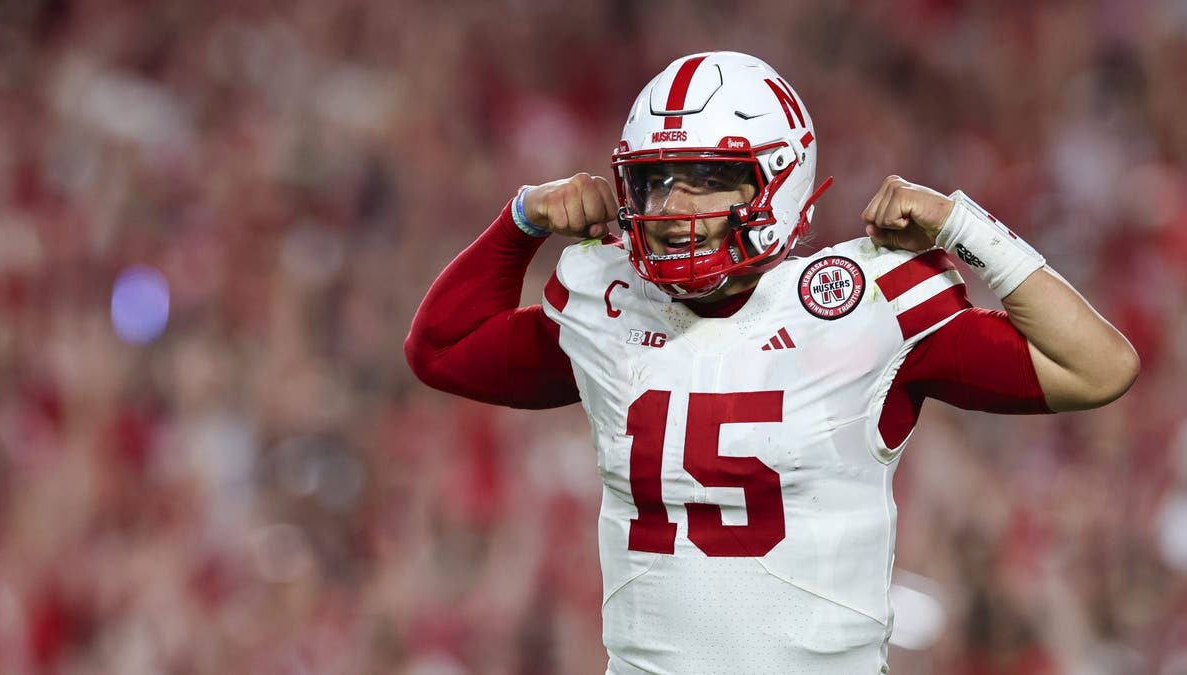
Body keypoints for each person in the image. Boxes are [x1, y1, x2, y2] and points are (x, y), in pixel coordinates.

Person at [405, 51, 1139, 674]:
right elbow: (441, 348)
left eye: (702, 177)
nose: (670, 205)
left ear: (775, 181)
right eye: (657, 180)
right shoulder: (608, 300)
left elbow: (1098, 367)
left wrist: (962, 224)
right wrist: (522, 219)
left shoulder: (863, 303)